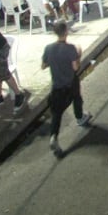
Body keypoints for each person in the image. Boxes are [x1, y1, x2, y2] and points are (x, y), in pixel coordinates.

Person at [42, 21, 93, 154]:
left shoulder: (48, 48)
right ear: (66, 32)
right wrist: (79, 55)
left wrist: (54, 62)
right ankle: (80, 117)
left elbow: (43, 65)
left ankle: (54, 136)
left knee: (56, 114)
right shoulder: (70, 48)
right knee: (77, 98)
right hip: (70, 83)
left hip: (56, 86)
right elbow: (76, 67)